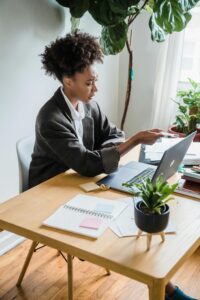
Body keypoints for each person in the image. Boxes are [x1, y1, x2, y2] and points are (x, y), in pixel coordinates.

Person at [29, 31, 197, 300]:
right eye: (89, 83)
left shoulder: (88, 106)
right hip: (49, 196)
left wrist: (111, 150)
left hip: (79, 184)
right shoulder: (50, 117)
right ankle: (167, 290)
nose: (95, 89)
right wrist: (137, 139)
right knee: (123, 216)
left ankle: (165, 288)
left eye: (95, 81)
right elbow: (86, 162)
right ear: (68, 81)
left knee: (133, 210)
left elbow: (114, 135)